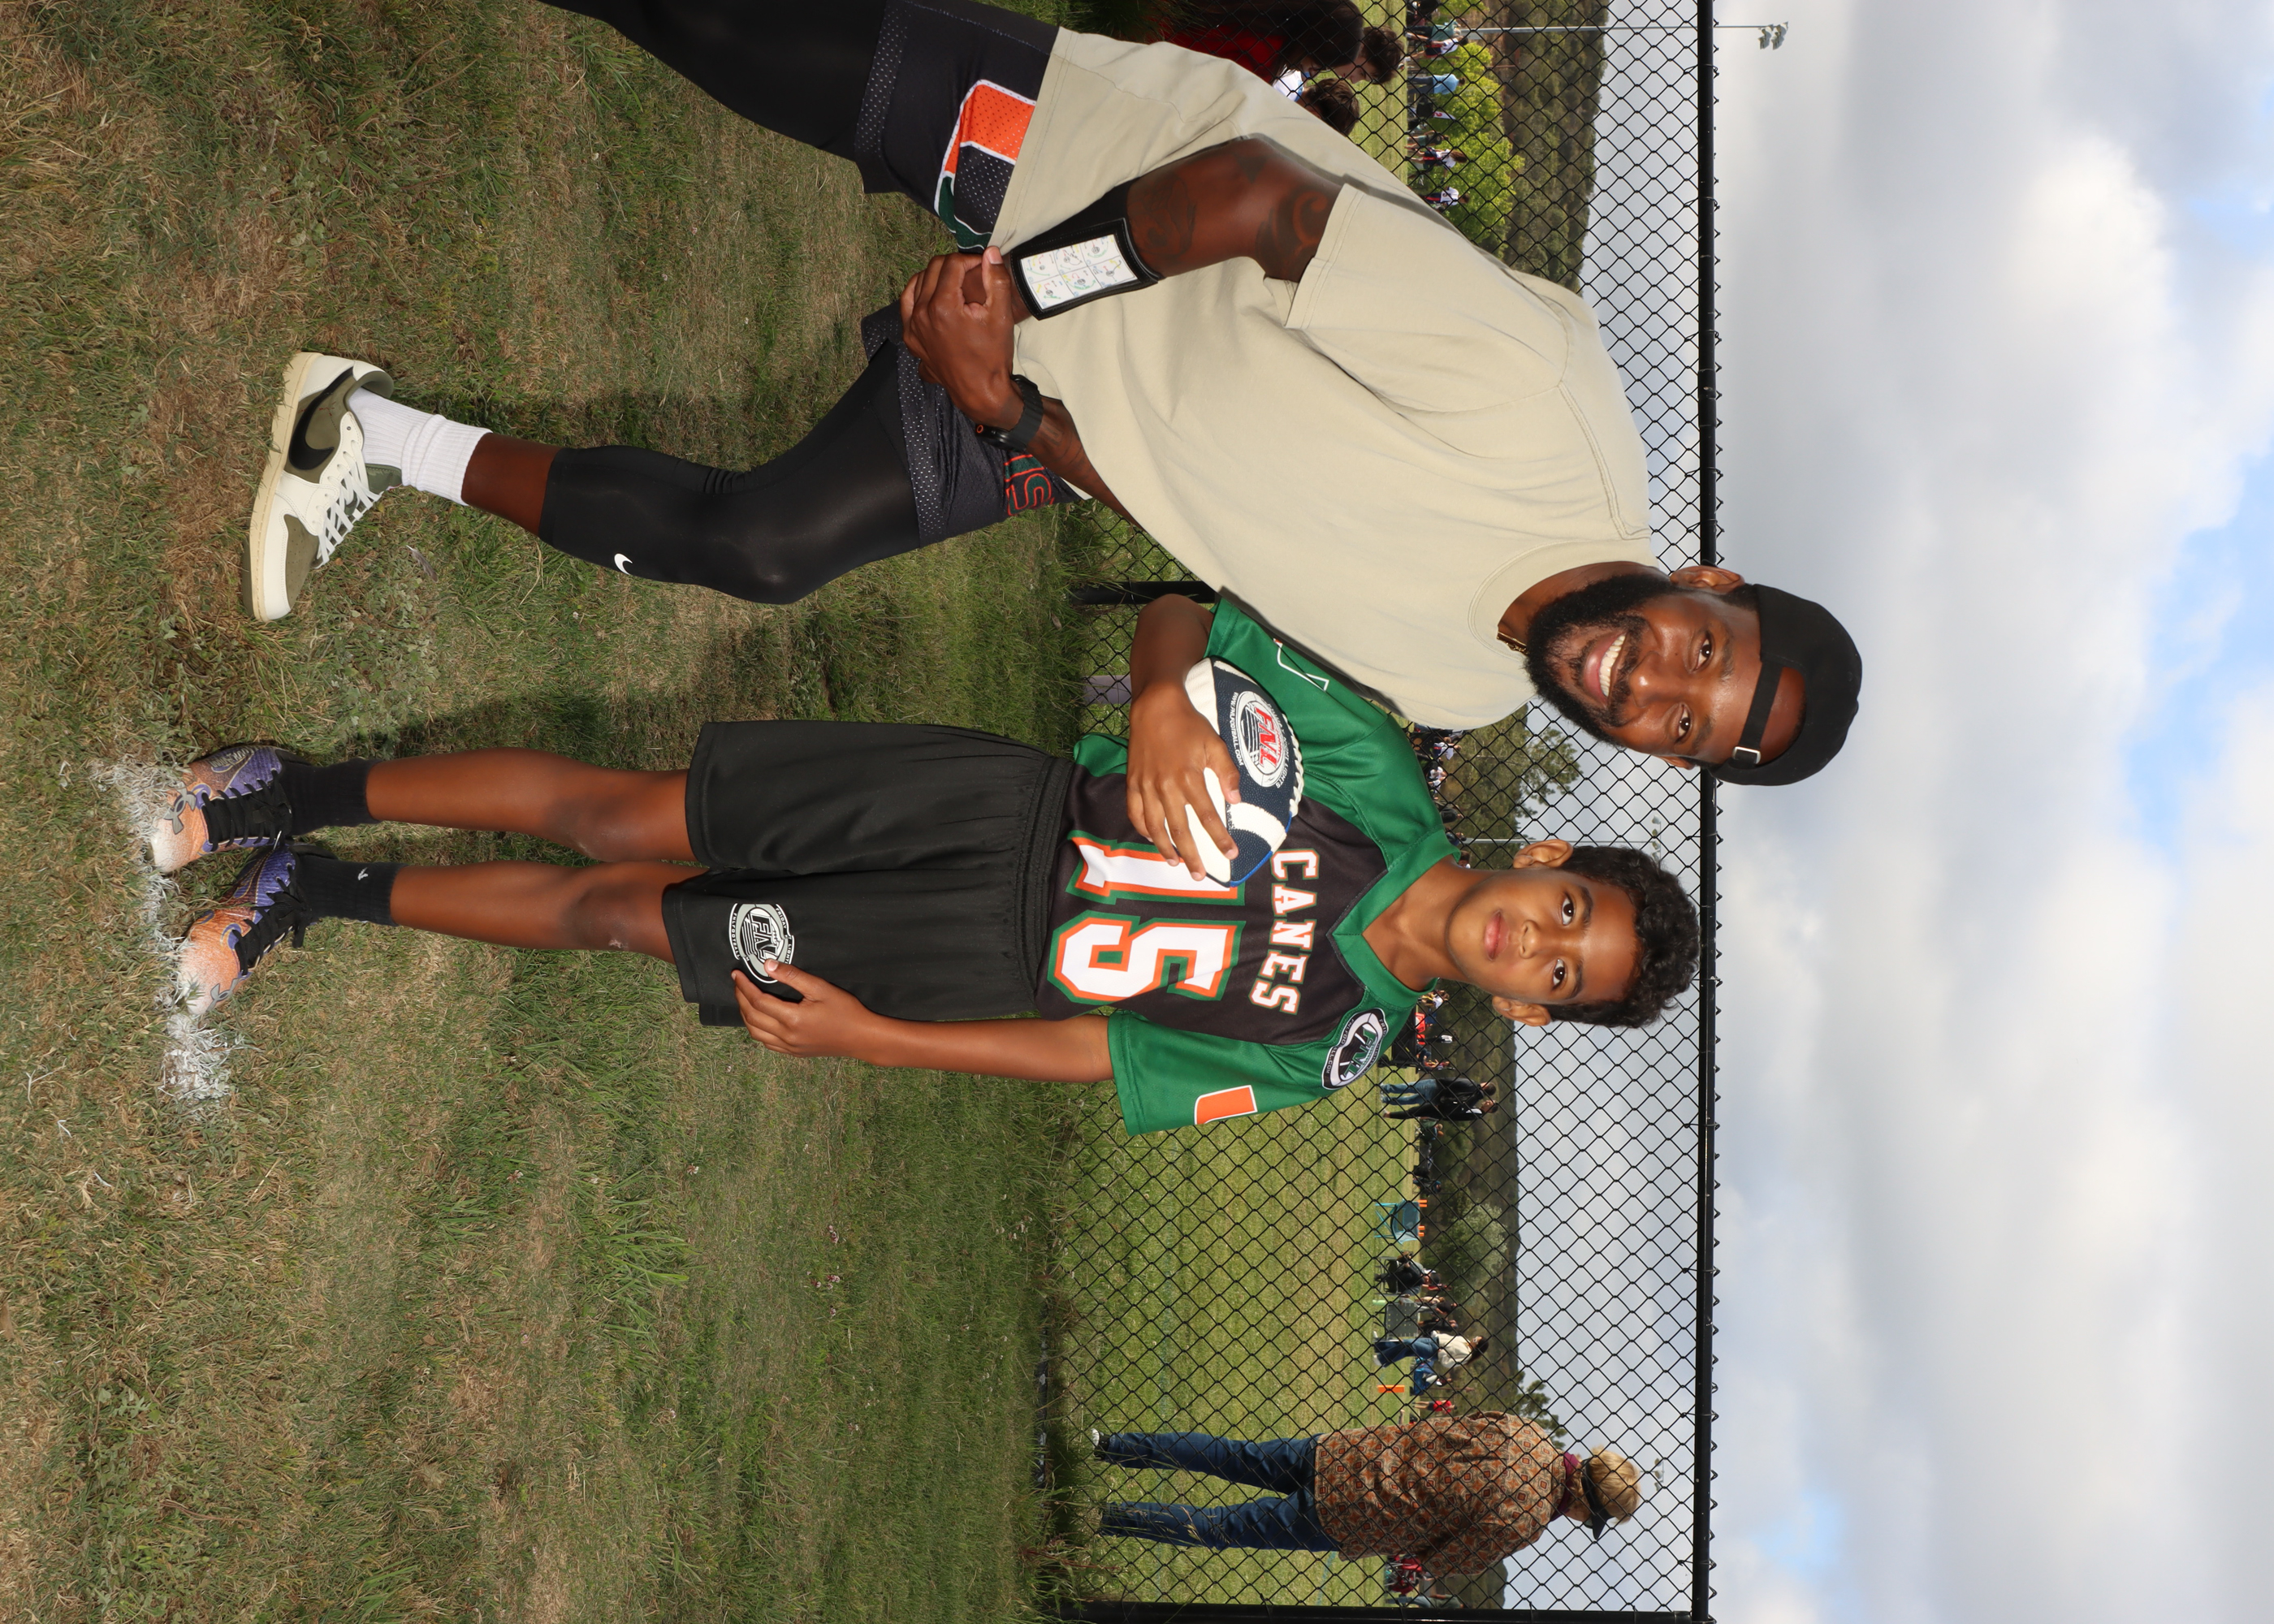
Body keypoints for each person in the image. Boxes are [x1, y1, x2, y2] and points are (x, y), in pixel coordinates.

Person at [259, 0, 1861, 785]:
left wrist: (1011, 414)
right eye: (1699, 654)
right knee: (702, 21)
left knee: (761, 547)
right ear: (1709, 582)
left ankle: (360, 430)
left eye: (1684, 728)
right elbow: (1254, 197)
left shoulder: (1470, 689)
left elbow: (1210, 526)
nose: (1651, 686)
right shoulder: (1541, 410)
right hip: (1093, 170)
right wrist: (1011, 301)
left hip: (1050, 396)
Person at [158, 597, 1700, 1134]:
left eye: (1564, 975)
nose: (1536, 942)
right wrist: (1166, 695)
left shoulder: (1335, 1045)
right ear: (1546, 855)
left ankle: (317, 893)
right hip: (986, 811)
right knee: (630, 820)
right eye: (1568, 910)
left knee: (624, 917)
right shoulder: (1377, 777)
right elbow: (1192, 617)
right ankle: (290, 792)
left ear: (1535, 1013)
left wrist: (876, 1037)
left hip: (965, 960)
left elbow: (1098, 1055)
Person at [1092, 1422, 1642, 1564]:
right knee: (1222, 1529)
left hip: (1346, 1453)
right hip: (1352, 1516)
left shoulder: (1527, 1433)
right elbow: (1439, 1559)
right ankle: (1104, 1517)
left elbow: (1441, 1428)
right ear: (1586, 1503)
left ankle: (1113, 1446)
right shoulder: (1525, 1522)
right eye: (1589, 1518)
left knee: (1231, 1455)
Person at [1376, 1329, 1482, 1390]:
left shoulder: (1467, 1355)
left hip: (1434, 1351)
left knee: (1408, 1344)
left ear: (1478, 1347)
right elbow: (1449, 1338)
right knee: (1406, 1346)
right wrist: (1437, 1335)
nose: (1473, 1339)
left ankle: (1382, 1360)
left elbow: (1450, 1364)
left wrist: (1442, 1353)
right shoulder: (1465, 1340)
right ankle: (1378, 1346)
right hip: (1433, 1340)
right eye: (1475, 1337)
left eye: (1475, 1340)